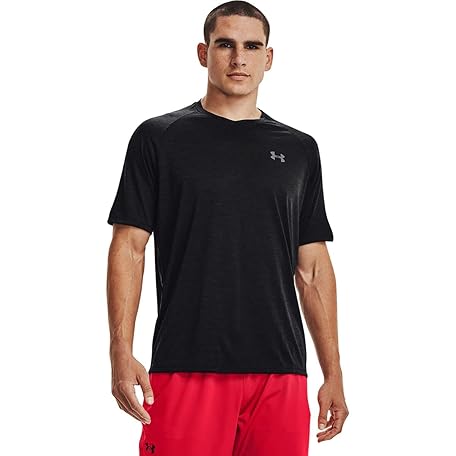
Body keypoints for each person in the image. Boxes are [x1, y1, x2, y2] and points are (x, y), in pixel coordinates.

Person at [106, 1, 348, 455]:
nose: (239, 59)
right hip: (187, 363)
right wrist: (120, 349)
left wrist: (332, 372)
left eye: (252, 47)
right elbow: (129, 248)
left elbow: (313, 267)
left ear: (268, 58)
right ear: (204, 53)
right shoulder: (159, 137)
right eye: (225, 45)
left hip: (281, 370)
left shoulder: (299, 149)